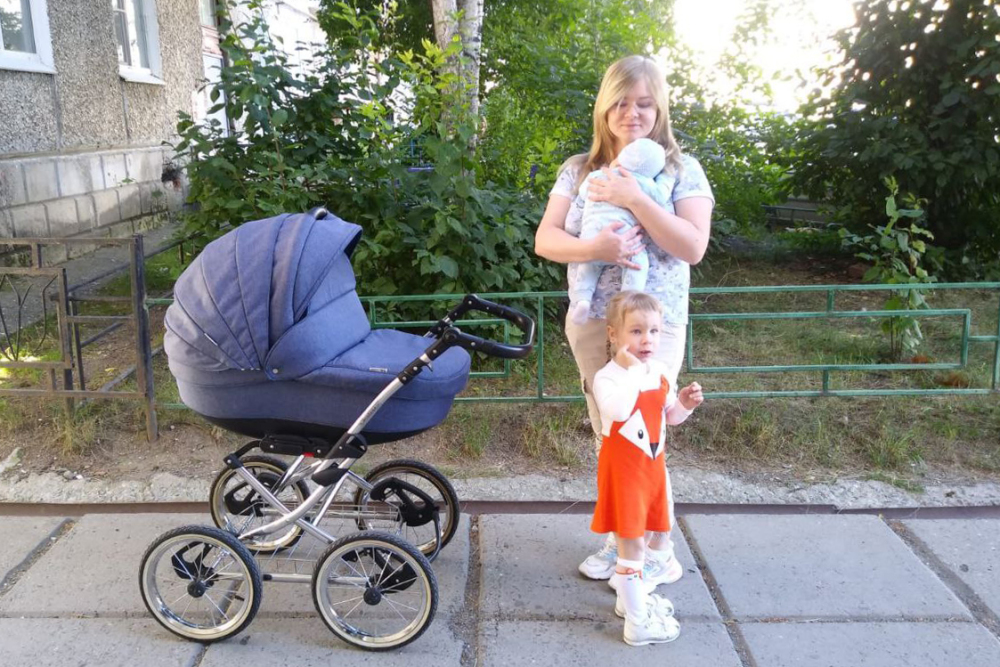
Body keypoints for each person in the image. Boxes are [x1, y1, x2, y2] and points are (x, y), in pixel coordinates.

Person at [534, 55, 714, 585]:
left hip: (655, 326)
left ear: (660, 109)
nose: (631, 113)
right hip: (595, 322)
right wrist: (596, 248)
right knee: (610, 434)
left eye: (644, 103)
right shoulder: (579, 169)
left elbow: (692, 246)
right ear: (603, 108)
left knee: (646, 433)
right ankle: (623, 540)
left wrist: (634, 198)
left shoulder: (680, 169)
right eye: (620, 102)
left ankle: (658, 548)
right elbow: (547, 239)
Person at [591, 290, 704, 645]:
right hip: (624, 476)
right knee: (633, 547)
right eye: (637, 331)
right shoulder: (608, 378)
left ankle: (630, 602)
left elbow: (667, 417)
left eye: (654, 331)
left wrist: (684, 405)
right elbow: (619, 411)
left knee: (644, 540)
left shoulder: (659, 371)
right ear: (614, 335)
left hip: (651, 471)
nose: (647, 340)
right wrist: (634, 372)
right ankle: (638, 624)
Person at [568, 137, 669, 325]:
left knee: (588, 265)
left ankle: (582, 300)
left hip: (593, 235)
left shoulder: (596, 176)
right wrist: (666, 177)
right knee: (638, 265)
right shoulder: (643, 182)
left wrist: (574, 228)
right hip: (626, 240)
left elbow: (580, 199)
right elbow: (661, 195)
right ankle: (627, 305)